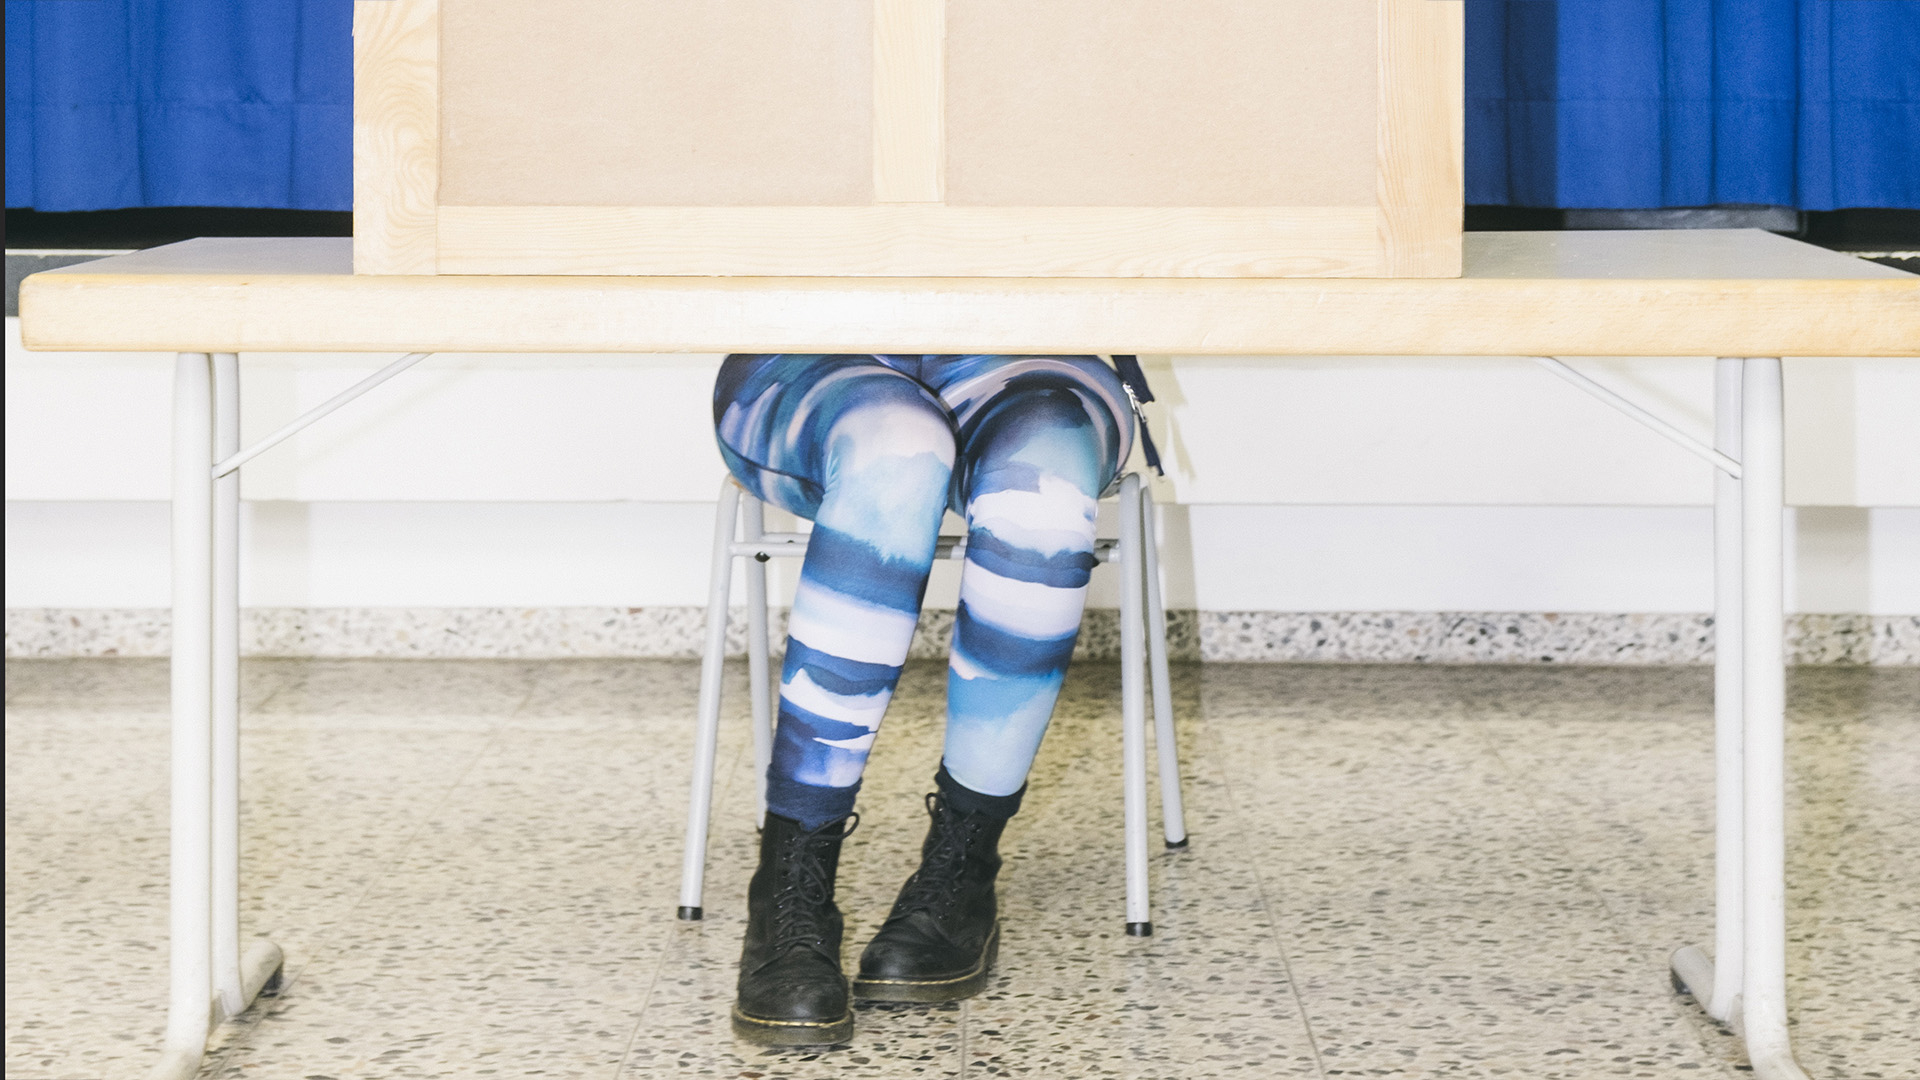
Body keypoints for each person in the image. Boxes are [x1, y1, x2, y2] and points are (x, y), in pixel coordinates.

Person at [712, 353, 1146, 1045]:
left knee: (1045, 480)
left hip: (1034, 352)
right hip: (813, 354)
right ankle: (790, 885)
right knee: (897, 450)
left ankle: (961, 869)